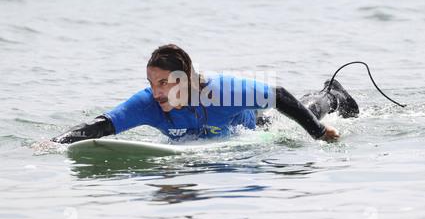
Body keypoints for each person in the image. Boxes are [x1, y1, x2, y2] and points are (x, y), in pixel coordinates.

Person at [51, 44, 359, 144]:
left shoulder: (222, 90)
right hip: (209, 138)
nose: (155, 92)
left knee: (303, 110)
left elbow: (278, 94)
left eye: (163, 84)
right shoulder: (148, 104)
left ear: (183, 80)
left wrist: (318, 133)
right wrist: (56, 142)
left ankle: (334, 95)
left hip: (251, 125)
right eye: (151, 83)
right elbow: (101, 124)